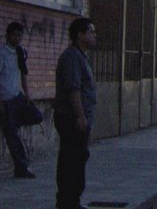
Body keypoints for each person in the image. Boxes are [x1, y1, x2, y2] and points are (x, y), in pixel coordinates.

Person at [54, 17, 97, 209]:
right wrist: (80, 116)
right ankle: (67, 202)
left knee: (78, 160)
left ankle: (72, 201)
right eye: (91, 32)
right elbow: (74, 89)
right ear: (80, 34)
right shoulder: (72, 57)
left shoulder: (81, 56)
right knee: (71, 161)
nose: (95, 36)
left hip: (79, 118)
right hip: (71, 118)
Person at [0, 21, 36, 178]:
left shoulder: (20, 52)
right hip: (6, 99)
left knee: (36, 116)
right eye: (15, 35)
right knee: (12, 136)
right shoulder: (0, 53)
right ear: (7, 35)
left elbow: (23, 74)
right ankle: (21, 167)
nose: (17, 38)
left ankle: (22, 165)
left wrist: (27, 94)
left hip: (18, 97)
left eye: (20, 36)